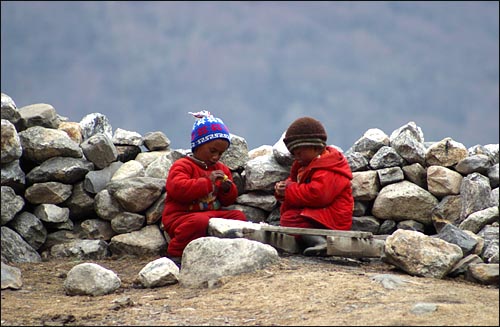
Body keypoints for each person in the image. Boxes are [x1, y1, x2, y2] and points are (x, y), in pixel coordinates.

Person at [161, 110, 247, 265]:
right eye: (212, 151)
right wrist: (208, 182)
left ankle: (227, 250)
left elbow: (227, 201)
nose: (216, 157)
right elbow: (178, 190)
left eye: (220, 153)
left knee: (238, 218)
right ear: (198, 146)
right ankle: (176, 255)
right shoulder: (182, 166)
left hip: (211, 214)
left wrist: (227, 189)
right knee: (199, 222)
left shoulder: (221, 169)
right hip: (181, 216)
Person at [274, 116, 354, 256]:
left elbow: (318, 195)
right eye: (294, 154)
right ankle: (314, 241)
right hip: (318, 214)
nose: (296, 157)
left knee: (291, 219)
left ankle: (320, 242)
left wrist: (289, 190)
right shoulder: (305, 165)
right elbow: (294, 182)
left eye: (299, 153)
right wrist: (282, 188)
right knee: (290, 218)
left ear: (315, 147)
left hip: (331, 218)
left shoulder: (330, 167)